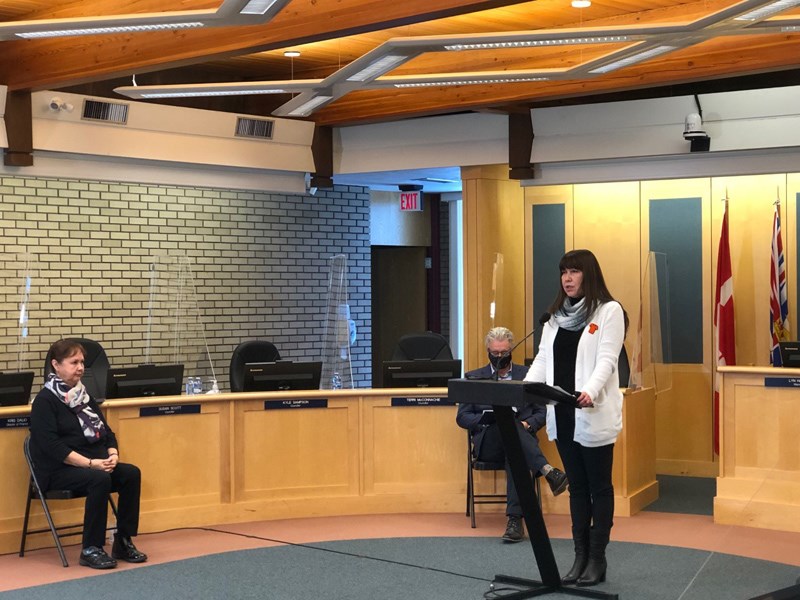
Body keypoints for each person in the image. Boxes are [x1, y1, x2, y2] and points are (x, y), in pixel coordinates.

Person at [524, 249, 626, 587]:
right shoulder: (554, 318)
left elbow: (607, 361)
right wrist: (522, 390)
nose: (567, 278)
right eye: (564, 272)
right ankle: (579, 556)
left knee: (599, 487)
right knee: (577, 488)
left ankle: (598, 558)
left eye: (574, 272)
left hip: (591, 412)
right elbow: (542, 359)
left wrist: (591, 391)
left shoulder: (609, 311)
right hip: (562, 413)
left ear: (589, 275)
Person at [29, 339, 147, 569]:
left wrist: (113, 454)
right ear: (56, 365)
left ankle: (123, 541)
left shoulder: (83, 397)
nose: (81, 367)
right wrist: (91, 463)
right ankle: (91, 548)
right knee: (99, 478)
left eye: (82, 362)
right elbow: (52, 447)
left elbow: (106, 432)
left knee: (131, 474)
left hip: (90, 464)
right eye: (74, 362)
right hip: (57, 470)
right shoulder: (44, 401)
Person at [457, 326, 568, 543]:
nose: (500, 357)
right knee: (503, 421)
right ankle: (547, 470)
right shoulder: (474, 377)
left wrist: (529, 424)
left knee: (514, 447)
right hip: (489, 443)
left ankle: (514, 522)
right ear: (488, 351)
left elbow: (541, 411)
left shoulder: (528, 376)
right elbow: (462, 417)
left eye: (504, 352)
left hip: (518, 442)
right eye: (496, 353)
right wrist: (484, 421)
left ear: (511, 351)